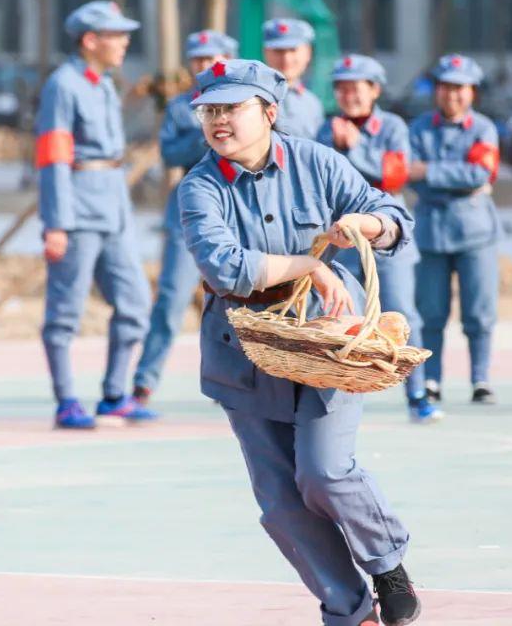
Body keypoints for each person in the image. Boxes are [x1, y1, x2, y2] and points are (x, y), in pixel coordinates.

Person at [179, 58, 421, 626]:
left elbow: (393, 216)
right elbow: (224, 266)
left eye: (231, 108)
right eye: (210, 110)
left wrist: (368, 226)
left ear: (269, 112)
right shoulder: (199, 188)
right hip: (244, 354)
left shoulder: (318, 163)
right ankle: (348, 609)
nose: (219, 121)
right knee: (282, 504)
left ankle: (386, 562)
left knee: (324, 473)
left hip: (327, 348)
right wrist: (309, 265)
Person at [35, 1, 155, 429]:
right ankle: (66, 399)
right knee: (65, 311)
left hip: (113, 211)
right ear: (90, 41)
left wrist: (124, 214)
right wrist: (57, 223)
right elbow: (54, 158)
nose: (124, 42)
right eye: (116, 35)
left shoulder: (102, 84)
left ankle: (113, 394)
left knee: (136, 302)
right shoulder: (63, 85)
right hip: (79, 212)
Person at [315, 54, 442, 424]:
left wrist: (355, 146)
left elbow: (394, 177)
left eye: (357, 87)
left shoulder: (392, 127)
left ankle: (416, 392)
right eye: (341, 87)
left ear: (375, 90)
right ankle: (340, 395)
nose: (349, 95)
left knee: (403, 313)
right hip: (344, 241)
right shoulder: (327, 129)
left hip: (388, 240)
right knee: (342, 316)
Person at [131, 30, 237, 408]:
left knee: (240, 302)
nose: (204, 66)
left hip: (237, 211)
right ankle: (144, 381)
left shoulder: (246, 104)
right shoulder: (179, 107)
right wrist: (207, 135)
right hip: (188, 211)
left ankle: (236, 382)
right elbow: (169, 153)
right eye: (197, 60)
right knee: (171, 298)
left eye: (213, 59)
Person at [408, 54, 501, 405]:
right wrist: (456, 175)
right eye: (446, 87)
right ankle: (432, 380)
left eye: (460, 88)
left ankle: (481, 378)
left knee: (479, 312)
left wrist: (429, 171)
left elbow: (480, 174)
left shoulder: (484, 129)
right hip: (431, 232)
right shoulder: (418, 128)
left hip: (476, 233)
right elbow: (408, 175)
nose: (452, 96)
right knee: (431, 312)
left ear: (472, 92)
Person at [262, 18, 325, 140]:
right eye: (278, 51)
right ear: (266, 52)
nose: (286, 58)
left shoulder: (312, 103)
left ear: (308, 53)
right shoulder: (253, 98)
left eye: (293, 50)